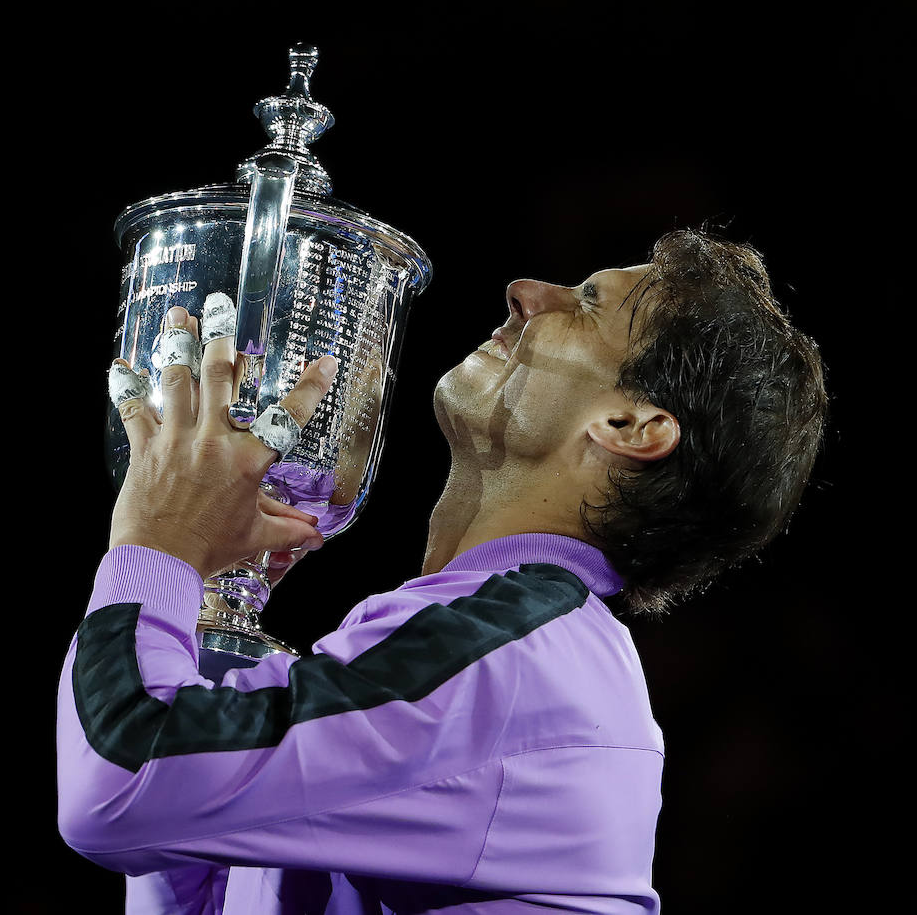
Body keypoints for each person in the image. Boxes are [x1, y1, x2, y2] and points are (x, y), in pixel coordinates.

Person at [57, 227, 828, 913]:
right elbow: (183, 848)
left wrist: (157, 543)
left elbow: (121, 785)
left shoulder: (514, 657)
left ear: (630, 428)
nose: (526, 292)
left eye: (588, 304)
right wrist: (208, 609)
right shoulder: (488, 636)